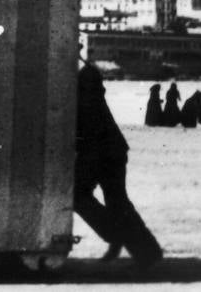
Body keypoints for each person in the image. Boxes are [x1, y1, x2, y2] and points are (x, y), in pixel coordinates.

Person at [74, 62, 163, 270]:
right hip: (112, 151)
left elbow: (86, 129)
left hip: (102, 153)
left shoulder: (86, 97)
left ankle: (118, 236)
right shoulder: (92, 92)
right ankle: (146, 250)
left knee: (79, 195)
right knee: (117, 202)